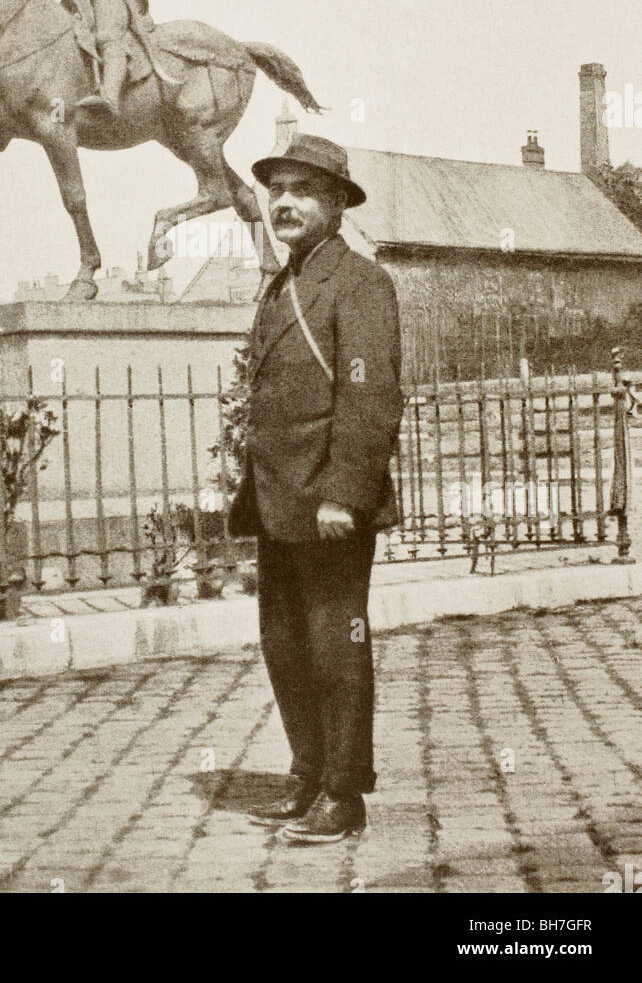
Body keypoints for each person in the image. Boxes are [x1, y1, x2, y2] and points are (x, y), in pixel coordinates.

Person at [227, 133, 403, 844]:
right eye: (276, 192)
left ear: (335, 204)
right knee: (283, 642)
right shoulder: (283, 283)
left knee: (337, 644)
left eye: (302, 191)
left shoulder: (361, 283)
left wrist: (344, 494)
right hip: (278, 501)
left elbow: (371, 398)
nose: (285, 204)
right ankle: (305, 772)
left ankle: (343, 791)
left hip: (327, 504)